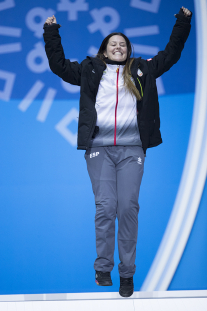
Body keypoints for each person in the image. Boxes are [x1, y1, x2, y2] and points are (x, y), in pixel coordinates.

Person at [43, 6, 192, 297]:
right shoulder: (89, 70)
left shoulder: (142, 69)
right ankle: (103, 267)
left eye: (123, 44)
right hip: (99, 149)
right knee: (106, 206)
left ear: (128, 50)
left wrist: (183, 22)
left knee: (127, 208)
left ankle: (127, 273)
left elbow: (171, 54)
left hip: (131, 150)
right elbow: (59, 66)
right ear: (104, 50)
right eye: (113, 43)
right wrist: (51, 32)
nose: (118, 47)